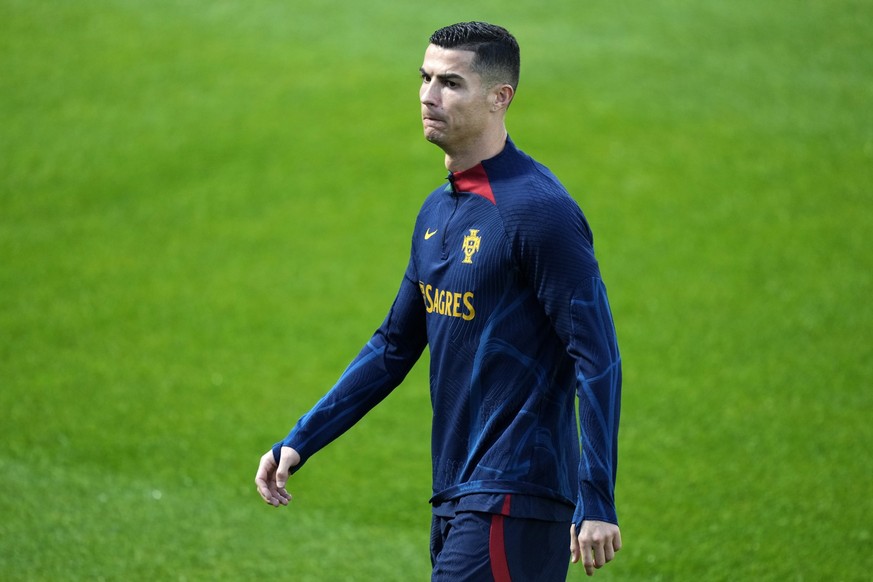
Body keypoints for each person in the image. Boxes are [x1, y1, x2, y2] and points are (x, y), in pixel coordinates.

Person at [255, 21, 622, 580]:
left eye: (451, 83)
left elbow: (597, 356)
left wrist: (597, 498)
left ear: (501, 98)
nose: (429, 96)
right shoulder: (437, 212)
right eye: (425, 78)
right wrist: (302, 439)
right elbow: (393, 346)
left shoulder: (538, 211)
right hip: (455, 494)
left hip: (515, 495)